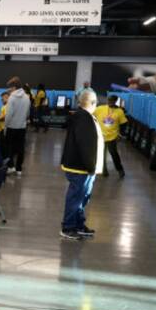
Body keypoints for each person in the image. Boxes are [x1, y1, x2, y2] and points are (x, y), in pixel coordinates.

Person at [59, 89, 104, 241]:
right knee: (76, 198)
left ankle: (78, 224)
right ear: (93, 103)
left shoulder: (84, 116)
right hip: (80, 167)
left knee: (82, 197)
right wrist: (91, 166)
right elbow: (85, 145)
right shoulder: (84, 118)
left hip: (84, 167)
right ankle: (68, 227)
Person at [93, 95, 129, 177]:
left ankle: (120, 169)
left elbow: (124, 123)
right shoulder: (100, 108)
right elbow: (91, 115)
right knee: (101, 154)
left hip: (112, 137)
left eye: (111, 101)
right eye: (108, 100)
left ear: (115, 101)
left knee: (113, 153)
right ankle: (103, 170)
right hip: (101, 136)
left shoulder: (119, 111)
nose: (109, 102)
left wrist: (121, 134)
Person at [3, 77, 30, 174]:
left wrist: (5, 126)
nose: (9, 90)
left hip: (11, 127)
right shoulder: (27, 97)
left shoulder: (12, 98)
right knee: (20, 148)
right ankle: (19, 168)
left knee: (9, 147)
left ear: (14, 87)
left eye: (10, 88)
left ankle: (11, 167)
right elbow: (27, 114)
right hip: (22, 127)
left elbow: (9, 115)